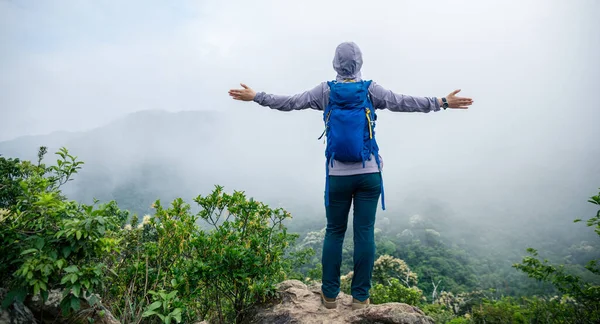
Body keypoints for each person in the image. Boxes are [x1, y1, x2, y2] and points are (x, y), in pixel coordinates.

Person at [228, 41, 473, 310]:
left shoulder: (324, 91)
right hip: (369, 174)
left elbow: (288, 102)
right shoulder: (371, 89)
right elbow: (404, 102)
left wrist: (257, 96)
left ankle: (330, 296)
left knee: (334, 232)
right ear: (361, 64)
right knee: (364, 233)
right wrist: (441, 102)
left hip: (337, 176)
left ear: (335, 64)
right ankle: (360, 299)